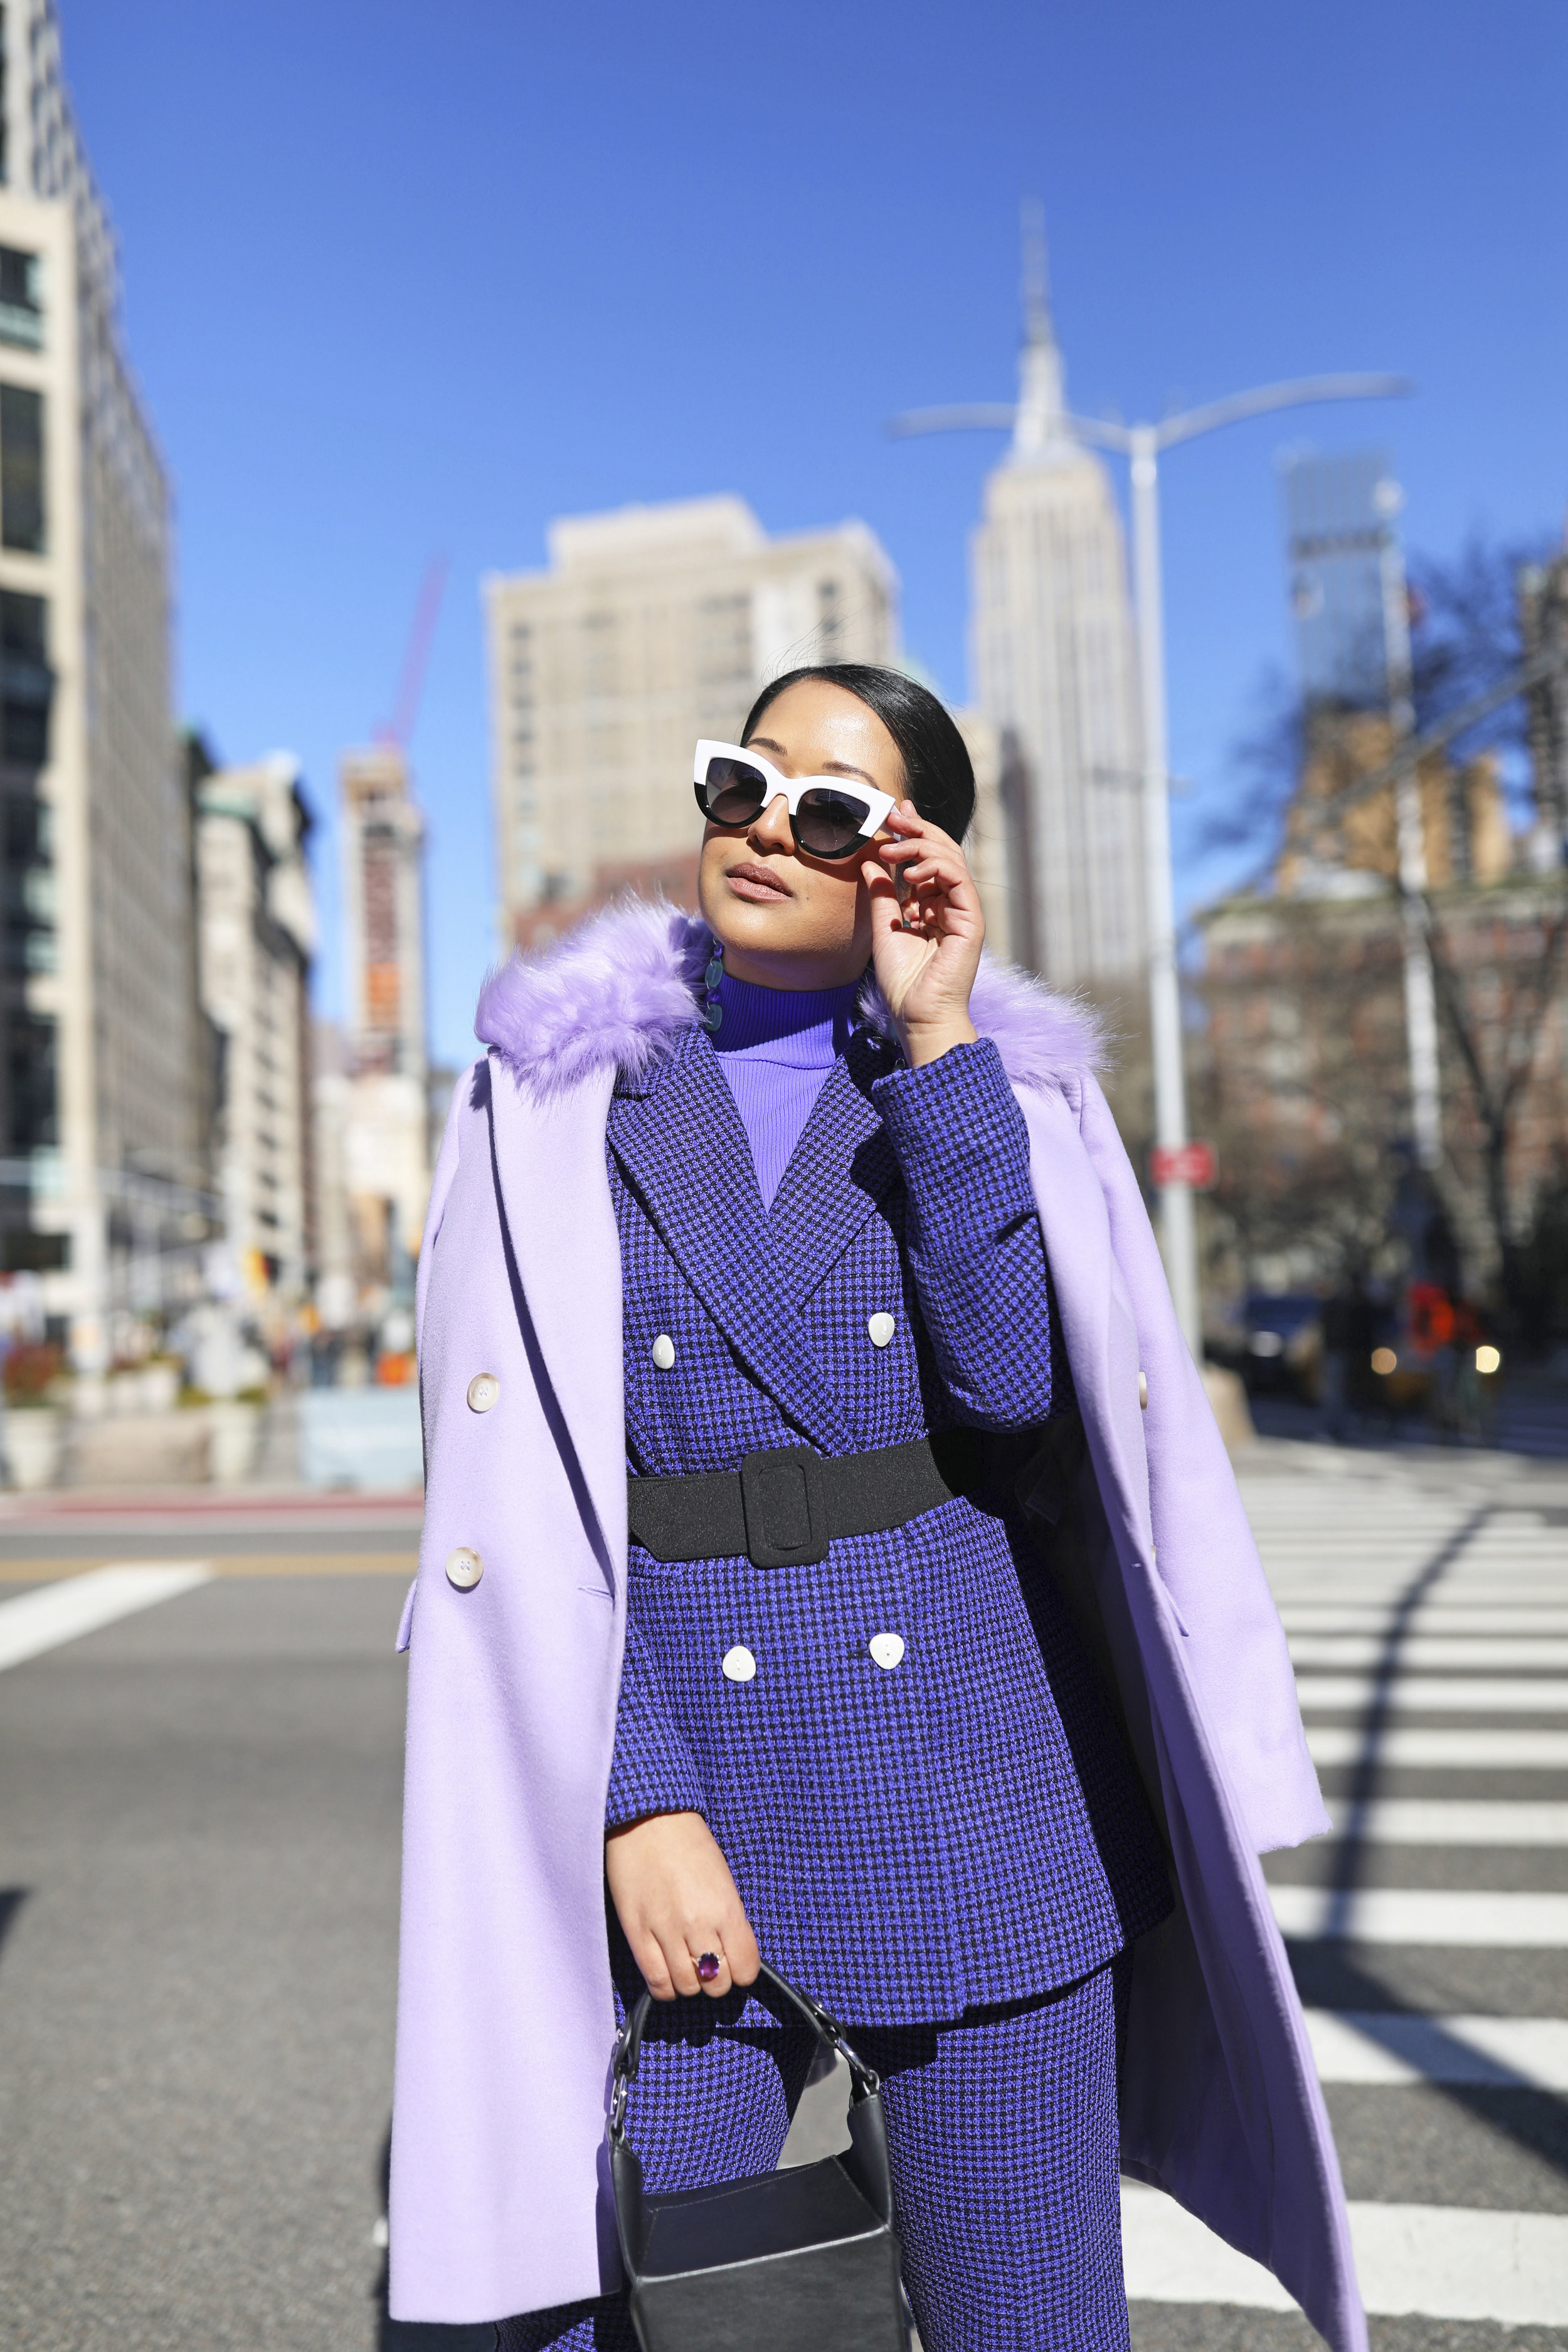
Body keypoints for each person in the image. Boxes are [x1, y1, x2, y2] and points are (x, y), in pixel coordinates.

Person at [389, 667, 1364, 2352]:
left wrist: (935, 1034)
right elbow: (520, 1500)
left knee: (1026, 2331)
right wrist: (631, 1803)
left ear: (905, 856)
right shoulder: (549, 1091)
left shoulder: (993, 1087)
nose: (769, 823)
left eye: (832, 805)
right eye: (743, 778)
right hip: (682, 1793)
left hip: (980, 1796)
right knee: (635, 2307)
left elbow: (1006, 1406)